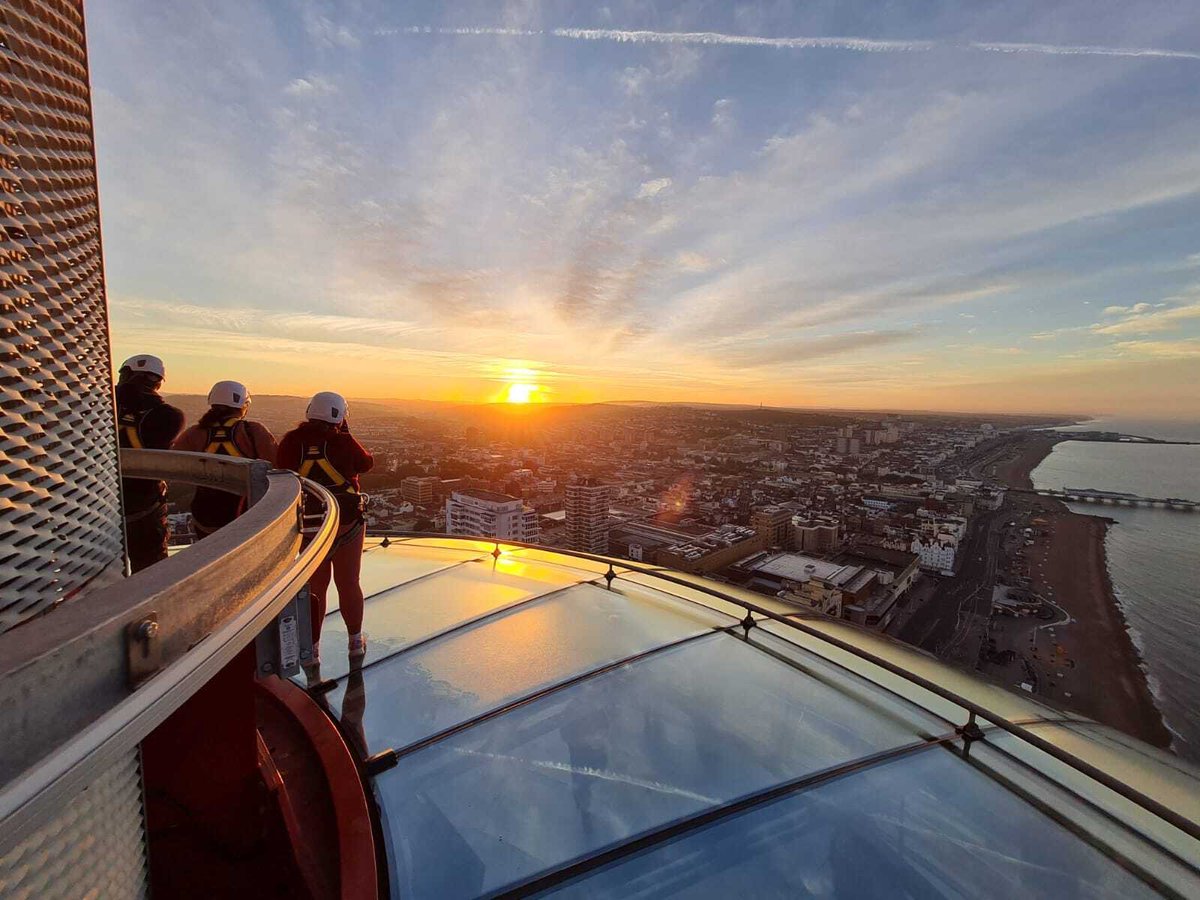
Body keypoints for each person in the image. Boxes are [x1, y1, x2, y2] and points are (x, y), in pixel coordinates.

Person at [278, 391, 373, 662]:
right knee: (349, 583)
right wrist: (346, 433)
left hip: (311, 527)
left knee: (316, 590)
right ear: (340, 416)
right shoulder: (343, 442)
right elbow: (366, 463)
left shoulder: (292, 441)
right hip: (346, 522)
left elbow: (282, 472)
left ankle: (312, 650)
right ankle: (355, 642)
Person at [172, 381, 278, 538]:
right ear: (243, 405)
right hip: (245, 511)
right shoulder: (252, 431)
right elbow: (276, 466)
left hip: (205, 513)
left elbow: (174, 466)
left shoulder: (195, 433)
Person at [115, 354, 186, 572]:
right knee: (151, 573)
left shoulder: (98, 408)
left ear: (126, 374)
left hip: (96, 506)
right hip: (144, 507)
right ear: (157, 382)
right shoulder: (169, 416)